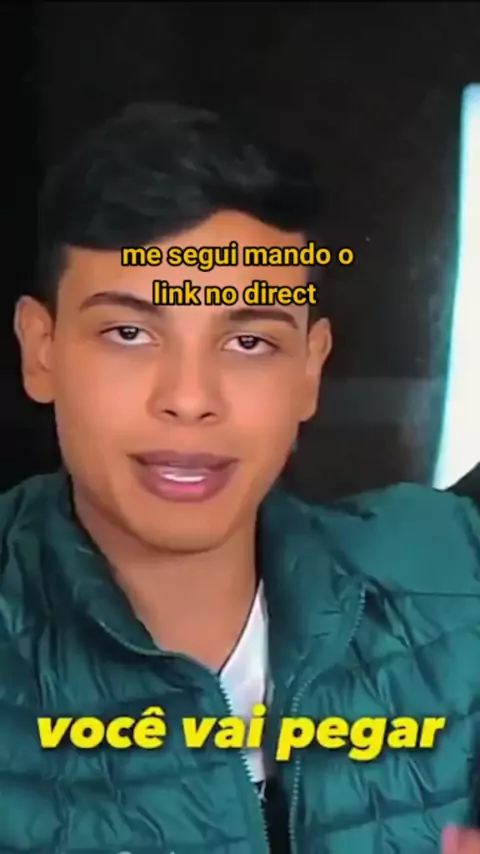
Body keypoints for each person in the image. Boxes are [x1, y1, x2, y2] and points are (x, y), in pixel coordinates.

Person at [1, 102, 479, 854]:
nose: (191, 398)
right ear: (42, 351)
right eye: (129, 332)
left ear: (310, 370)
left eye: (249, 341)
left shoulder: (451, 568)